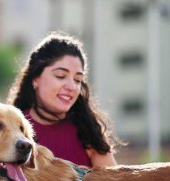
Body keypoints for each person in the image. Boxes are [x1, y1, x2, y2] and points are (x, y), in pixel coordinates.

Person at [7, 32, 124, 168]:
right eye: (60, 76)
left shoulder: (88, 130)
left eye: (77, 80)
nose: (72, 87)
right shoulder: (13, 129)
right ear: (35, 79)